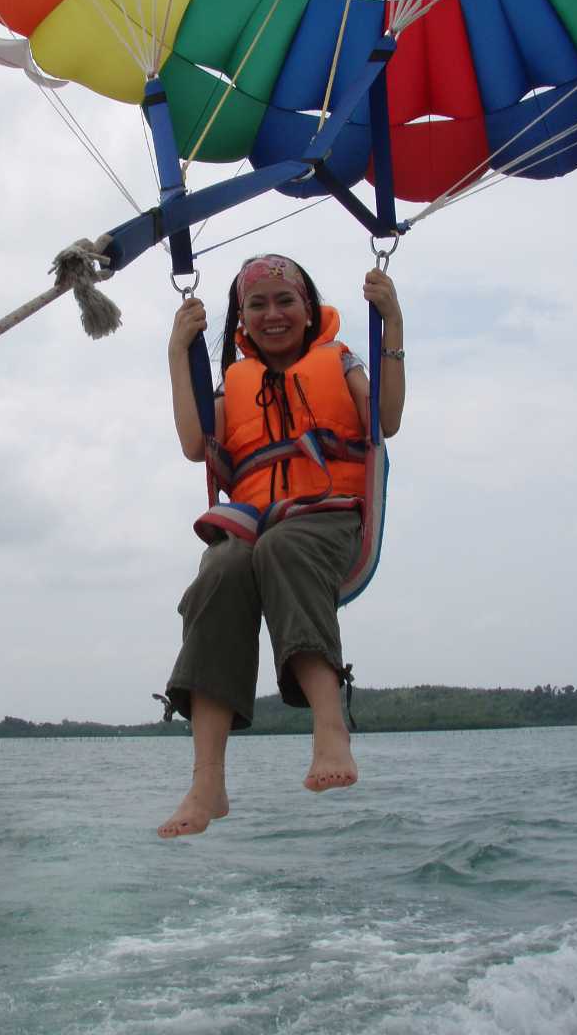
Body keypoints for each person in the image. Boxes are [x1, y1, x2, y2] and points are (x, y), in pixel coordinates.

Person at [157, 254, 405, 839]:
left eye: (285, 301)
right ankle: (207, 779)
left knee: (282, 546)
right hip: (253, 522)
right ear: (240, 319)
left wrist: (391, 322)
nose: (273, 314)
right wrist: (177, 352)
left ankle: (329, 729)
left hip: (329, 518)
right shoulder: (235, 382)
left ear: (309, 307)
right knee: (220, 568)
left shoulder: (339, 362)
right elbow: (197, 443)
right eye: (257, 304)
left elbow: (385, 419)